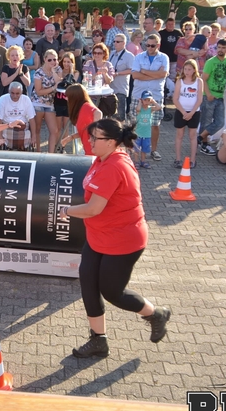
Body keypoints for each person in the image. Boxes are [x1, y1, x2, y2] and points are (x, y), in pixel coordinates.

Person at [59, 118, 170, 358]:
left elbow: (93, 208)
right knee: (88, 283)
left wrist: (66, 210)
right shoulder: (103, 159)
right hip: (99, 235)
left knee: (112, 292)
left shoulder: (114, 166)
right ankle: (98, 340)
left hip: (123, 240)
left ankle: (156, 314)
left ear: (111, 142)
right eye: (90, 136)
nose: (90, 141)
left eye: (95, 138)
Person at [131, 34, 169, 161]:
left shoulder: (164, 57)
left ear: (158, 45)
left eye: (152, 45)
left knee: (155, 124)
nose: (149, 48)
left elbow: (163, 74)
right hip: (138, 96)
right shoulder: (138, 57)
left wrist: (144, 71)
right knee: (136, 123)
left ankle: (154, 150)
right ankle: (135, 151)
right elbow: (135, 75)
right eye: (147, 45)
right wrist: (155, 75)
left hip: (155, 96)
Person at [198, 39, 226, 155]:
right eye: (219, 47)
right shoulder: (210, 62)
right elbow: (203, 79)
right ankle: (204, 144)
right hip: (209, 96)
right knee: (206, 121)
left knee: (220, 122)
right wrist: (208, 94)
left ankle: (200, 138)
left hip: (220, 96)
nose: (220, 50)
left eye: (223, 48)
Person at [172, 60, 204, 169]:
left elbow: (199, 99)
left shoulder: (199, 81)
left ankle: (193, 160)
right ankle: (178, 159)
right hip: (181, 111)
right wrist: (184, 112)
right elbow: (175, 99)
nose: (187, 71)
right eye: (185, 69)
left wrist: (192, 112)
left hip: (194, 112)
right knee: (179, 135)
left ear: (194, 70)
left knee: (192, 136)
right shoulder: (180, 81)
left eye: (189, 69)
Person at [32, 49, 61, 152]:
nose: (52, 62)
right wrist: (53, 88)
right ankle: (37, 152)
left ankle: (51, 154)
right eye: (50, 60)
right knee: (37, 129)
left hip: (50, 103)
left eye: (55, 59)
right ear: (44, 59)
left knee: (54, 130)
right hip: (38, 103)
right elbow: (38, 91)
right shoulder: (38, 72)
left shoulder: (57, 70)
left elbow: (59, 84)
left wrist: (53, 72)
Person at [62, 84, 102, 155]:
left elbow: (98, 113)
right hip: (89, 151)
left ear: (74, 97)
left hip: (94, 152)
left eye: (68, 96)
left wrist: (95, 131)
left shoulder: (86, 106)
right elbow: (84, 131)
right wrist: (71, 137)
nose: (66, 98)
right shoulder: (81, 108)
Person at [0, 82, 36, 150]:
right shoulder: (3, 99)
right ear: (9, 91)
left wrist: (34, 136)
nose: (14, 96)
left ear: (21, 92)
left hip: (22, 127)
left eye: (17, 93)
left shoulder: (26, 99)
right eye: (12, 93)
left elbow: (32, 119)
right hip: (7, 126)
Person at [82, 43, 115, 116]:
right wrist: (97, 73)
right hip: (91, 96)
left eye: (99, 53)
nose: (96, 55)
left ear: (104, 54)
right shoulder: (88, 63)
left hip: (104, 97)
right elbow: (86, 79)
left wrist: (105, 74)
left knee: (103, 118)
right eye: (94, 53)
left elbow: (109, 81)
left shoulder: (108, 64)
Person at [110, 34, 134, 120]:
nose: (115, 43)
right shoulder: (111, 53)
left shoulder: (129, 56)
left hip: (120, 89)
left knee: (120, 117)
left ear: (124, 43)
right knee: (111, 117)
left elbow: (132, 70)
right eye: (114, 41)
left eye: (118, 42)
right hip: (110, 89)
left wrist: (118, 73)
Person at [133, 94, 161, 169]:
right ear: (142, 100)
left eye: (148, 100)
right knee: (136, 149)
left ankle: (143, 161)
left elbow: (159, 107)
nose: (146, 102)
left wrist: (153, 101)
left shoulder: (150, 109)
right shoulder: (140, 109)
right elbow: (138, 109)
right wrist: (140, 102)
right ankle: (136, 161)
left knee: (144, 149)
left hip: (147, 134)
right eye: (145, 100)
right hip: (138, 133)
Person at [158, 18, 183, 94]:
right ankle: (164, 91)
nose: (170, 26)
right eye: (169, 24)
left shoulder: (178, 33)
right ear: (166, 25)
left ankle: (171, 93)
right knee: (164, 76)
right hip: (163, 60)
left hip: (174, 59)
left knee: (173, 77)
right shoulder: (160, 33)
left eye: (172, 24)